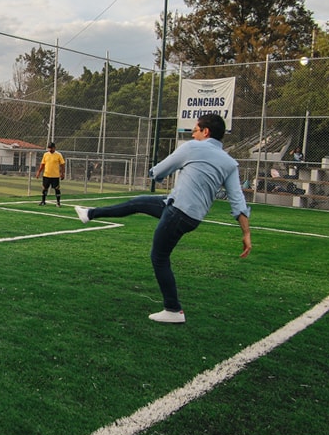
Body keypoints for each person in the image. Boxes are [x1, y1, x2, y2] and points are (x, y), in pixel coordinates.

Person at [74, 113, 251, 324]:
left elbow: (160, 170)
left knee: (159, 257)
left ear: (206, 132)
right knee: (137, 203)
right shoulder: (230, 163)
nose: (192, 134)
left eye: (195, 130)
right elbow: (237, 201)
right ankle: (90, 214)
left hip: (178, 213)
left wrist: (154, 173)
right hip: (183, 212)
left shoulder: (191, 147)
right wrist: (246, 232)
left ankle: (173, 309)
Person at [35, 142, 65, 206]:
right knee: (44, 188)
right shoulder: (45, 154)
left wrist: (62, 173)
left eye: (51, 148)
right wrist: (39, 172)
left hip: (55, 176)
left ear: (54, 148)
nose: (50, 150)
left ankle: (58, 202)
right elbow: (42, 164)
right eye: (49, 148)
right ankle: (43, 201)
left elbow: (62, 164)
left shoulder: (58, 155)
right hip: (46, 175)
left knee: (57, 188)